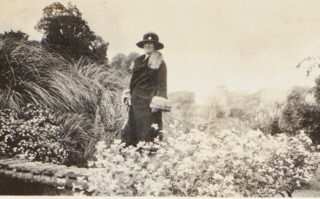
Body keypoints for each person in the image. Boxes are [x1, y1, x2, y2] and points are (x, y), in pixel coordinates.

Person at [120, 32, 171, 146]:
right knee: (131, 130)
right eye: (146, 43)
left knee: (148, 132)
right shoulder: (138, 61)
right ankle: (131, 158)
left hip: (149, 104)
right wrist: (129, 95)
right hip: (135, 102)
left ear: (155, 46)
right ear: (143, 46)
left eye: (151, 44)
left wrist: (157, 104)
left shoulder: (160, 63)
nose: (148, 46)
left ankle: (148, 158)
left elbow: (162, 85)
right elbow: (133, 81)